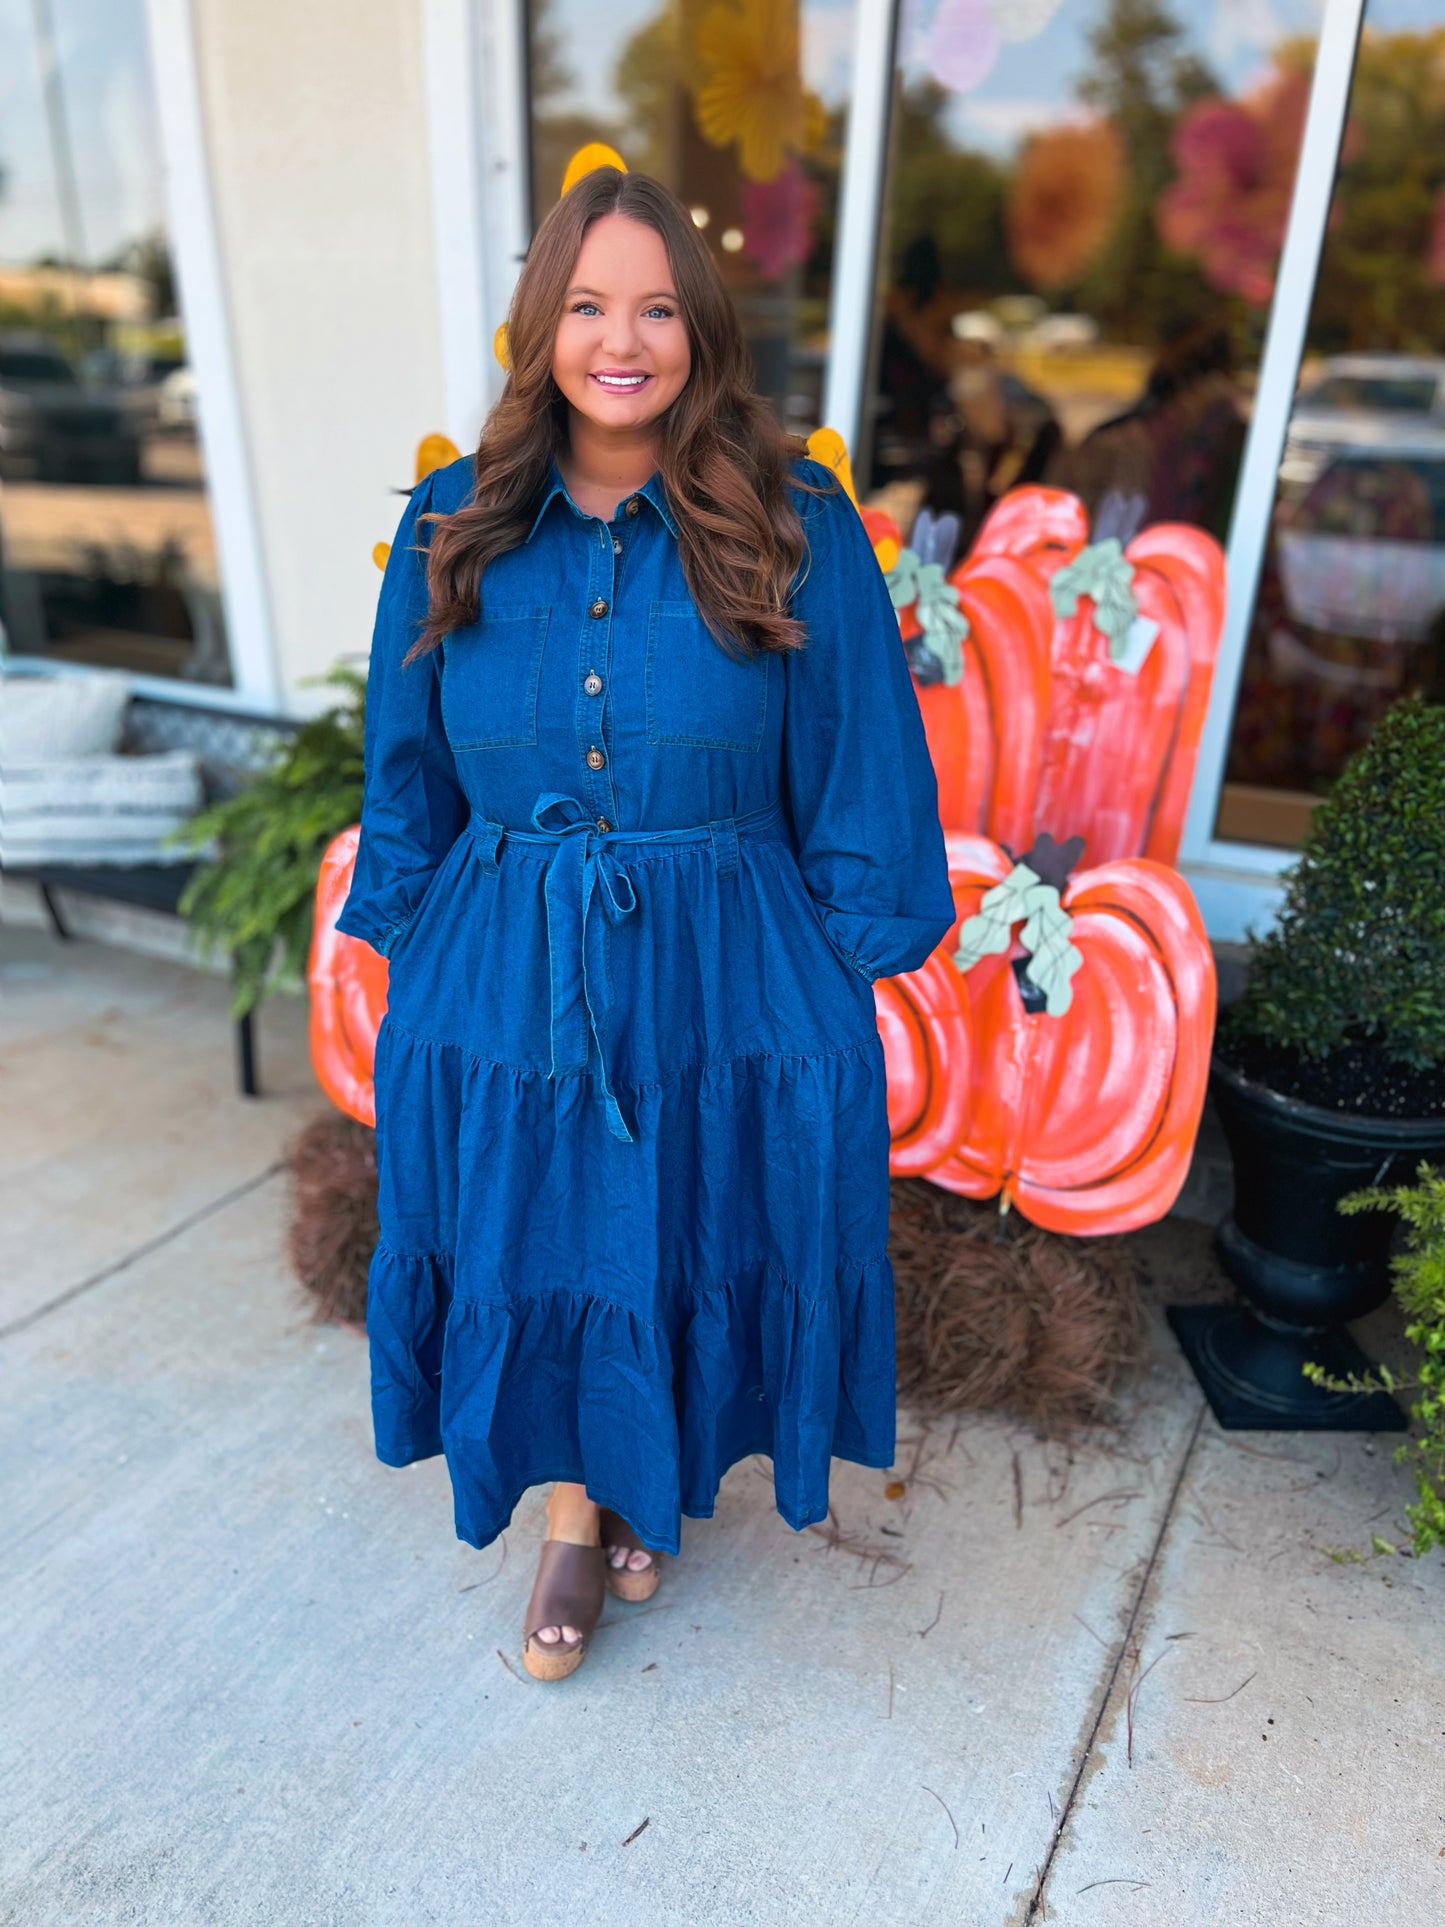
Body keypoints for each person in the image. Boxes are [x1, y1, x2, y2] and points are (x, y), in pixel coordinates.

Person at [336, 167, 955, 1682]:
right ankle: (569, 1508)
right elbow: (404, 765)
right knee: (533, 1234)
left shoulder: (792, 512)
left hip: (723, 960)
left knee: (678, 1223)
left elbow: (861, 752)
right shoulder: (451, 519)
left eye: (658, 307)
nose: (625, 340)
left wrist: (832, 958)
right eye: (591, 305)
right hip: (508, 959)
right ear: (542, 325)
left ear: (701, 327)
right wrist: (423, 954)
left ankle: (641, 1475)